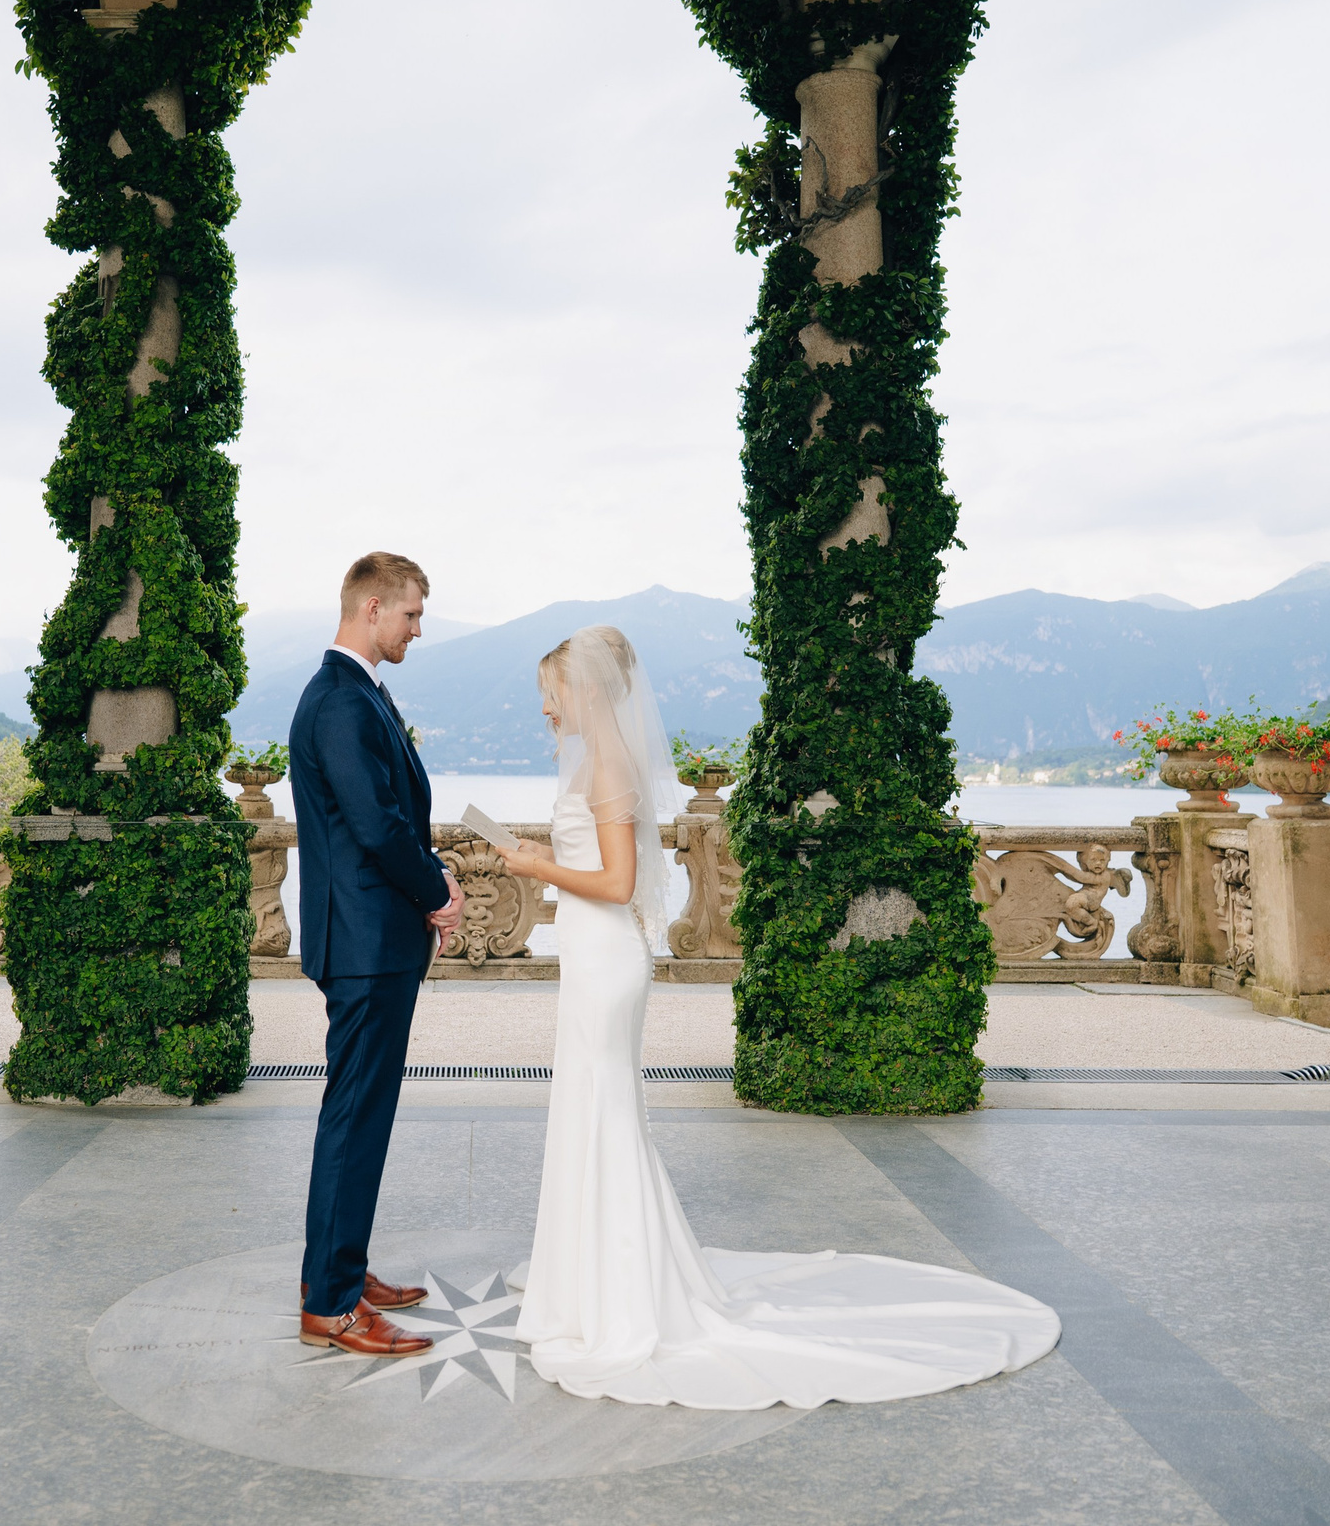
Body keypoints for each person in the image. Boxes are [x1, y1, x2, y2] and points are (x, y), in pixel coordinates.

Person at [493, 625, 1062, 1409]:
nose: (546, 706)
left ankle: (616, 1296)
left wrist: (532, 865)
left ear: (584, 687)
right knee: (594, 1111)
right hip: (591, 957)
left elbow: (619, 881)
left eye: (552, 690)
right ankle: (590, 1279)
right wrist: (546, 856)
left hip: (605, 958)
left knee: (606, 1115)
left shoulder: (609, 760)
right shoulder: (597, 759)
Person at [288, 552, 464, 1357]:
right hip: (365, 943)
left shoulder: (355, 694)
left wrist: (430, 880)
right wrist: (437, 892)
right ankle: (331, 1303)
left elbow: (389, 815)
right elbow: (378, 826)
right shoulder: (339, 701)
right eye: (412, 615)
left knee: (357, 1113)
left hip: (371, 939)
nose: (417, 630)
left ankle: (340, 1271)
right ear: (370, 607)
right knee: (355, 1117)